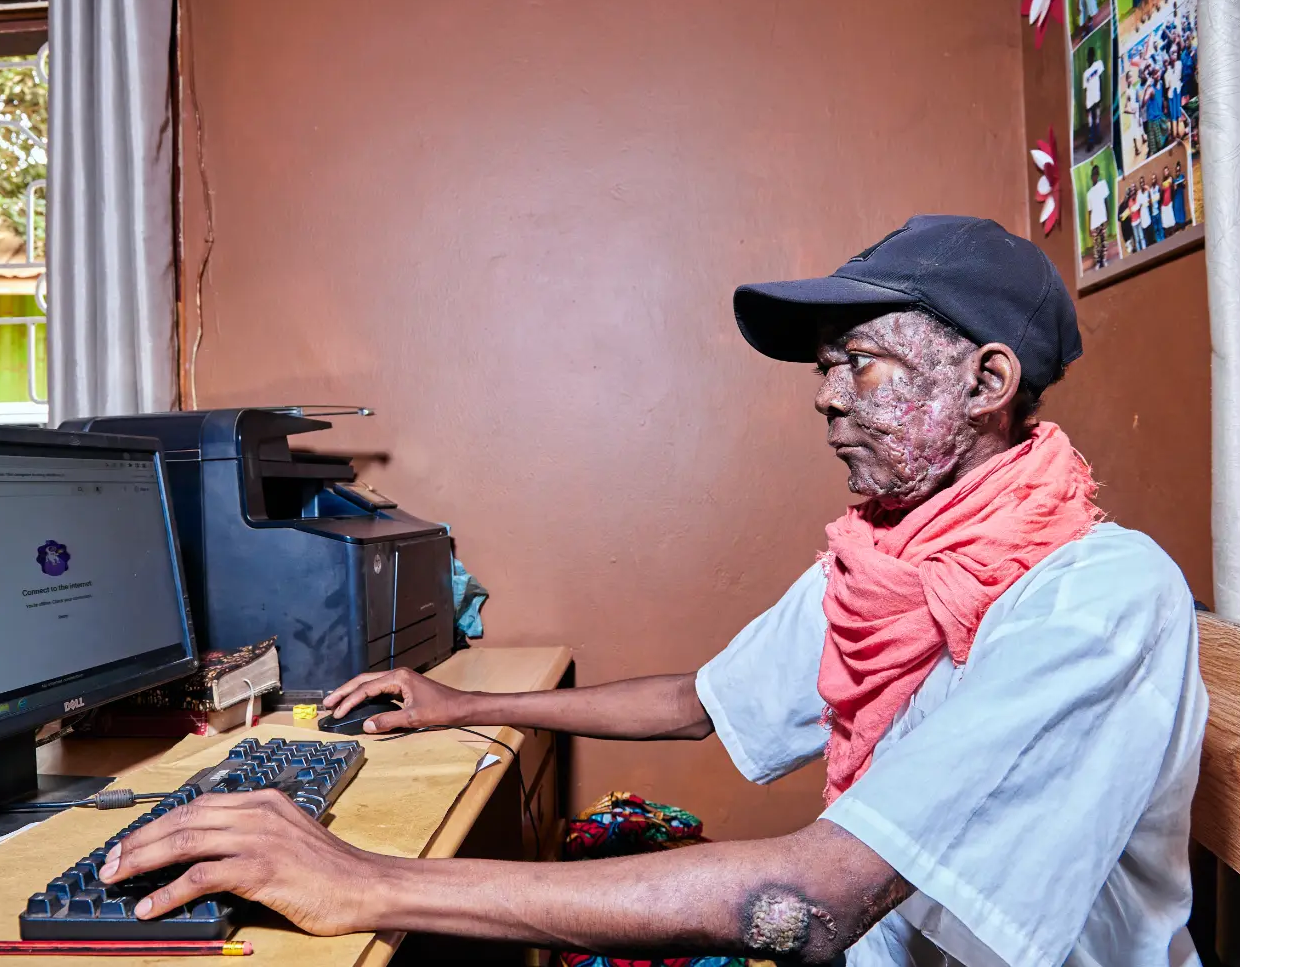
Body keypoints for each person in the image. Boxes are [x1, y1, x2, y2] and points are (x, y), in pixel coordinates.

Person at [98, 216, 1207, 967]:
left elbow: (818, 899)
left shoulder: (1095, 598)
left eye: (859, 362)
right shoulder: (892, 557)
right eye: (824, 368)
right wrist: (469, 706)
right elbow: (703, 699)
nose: (825, 399)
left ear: (987, 382)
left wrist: (367, 880)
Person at [1085, 164, 1112, 268]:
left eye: (1096, 174)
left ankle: (1104, 260)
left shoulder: (1103, 185)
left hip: (1102, 218)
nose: (1095, 177)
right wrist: (1089, 228)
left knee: (1104, 241)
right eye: (1093, 175)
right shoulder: (1089, 194)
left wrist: (1108, 217)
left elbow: (1106, 201)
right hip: (1094, 222)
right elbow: (1089, 211)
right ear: (1091, 177)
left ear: (1098, 175)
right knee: (1096, 245)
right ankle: (1098, 262)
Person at [1082, 46, 1106, 150]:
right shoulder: (1085, 73)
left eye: (1091, 56)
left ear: (1093, 56)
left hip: (1097, 97)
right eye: (1089, 57)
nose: (1090, 58)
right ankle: (1091, 141)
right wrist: (1085, 105)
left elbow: (1101, 79)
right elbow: (1085, 90)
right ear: (1087, 58)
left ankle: (1097, 137)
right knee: (1090, 120)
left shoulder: (1098, 65)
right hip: (1089, 100)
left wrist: (1102, 93)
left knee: (1097, 117)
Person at [1136, 174, 1155, 247]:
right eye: (1141, 183)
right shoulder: (1138, 194)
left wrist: (1149, 190)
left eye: (1143, 182)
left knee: (1151, 237)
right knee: (1147, 239)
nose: (1142, 184)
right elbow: (1137, 206)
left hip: (1148, 217)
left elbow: (1151, 200)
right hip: (1143, 219)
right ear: (1140, 184)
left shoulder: (1147, 192)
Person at [1120, 184, 1139, 251]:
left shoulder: (1131, 202)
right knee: (1130, 250)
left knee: (1135, 245)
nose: (1127, 195)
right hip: (1125, 230)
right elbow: (1118, 218)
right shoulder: (1121, 206)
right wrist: (1122, 216)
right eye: (1126, 193)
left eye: (1128, 193)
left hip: (1131, 228)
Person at [1160, 166, 1177, 239]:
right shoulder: (1164, 181)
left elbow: (1173, 186)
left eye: (1166, 171)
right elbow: (1163, 189)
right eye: (1164, 172)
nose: (1165, 173)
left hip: (1169, 201)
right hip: (1164, 203)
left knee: (1170, 216)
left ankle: (1172, 231)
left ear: (1168, 171)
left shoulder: (1170, 179)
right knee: (1165, 218)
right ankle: (1168, 233)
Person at [1172, 160, 1189, 228]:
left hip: (1180, 196)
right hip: (1176, 197)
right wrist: (1175, 187)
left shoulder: (1182, 176)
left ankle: (1182, 224)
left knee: (1181, 209)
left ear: (1180, 170)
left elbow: (1184, 186)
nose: (1177, 172)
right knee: (1176, 209)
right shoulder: (1174, 180)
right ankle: (1178, 223)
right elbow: (1173, 190)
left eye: (1179, 170)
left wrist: (1183, 183)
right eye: (1176, 171)